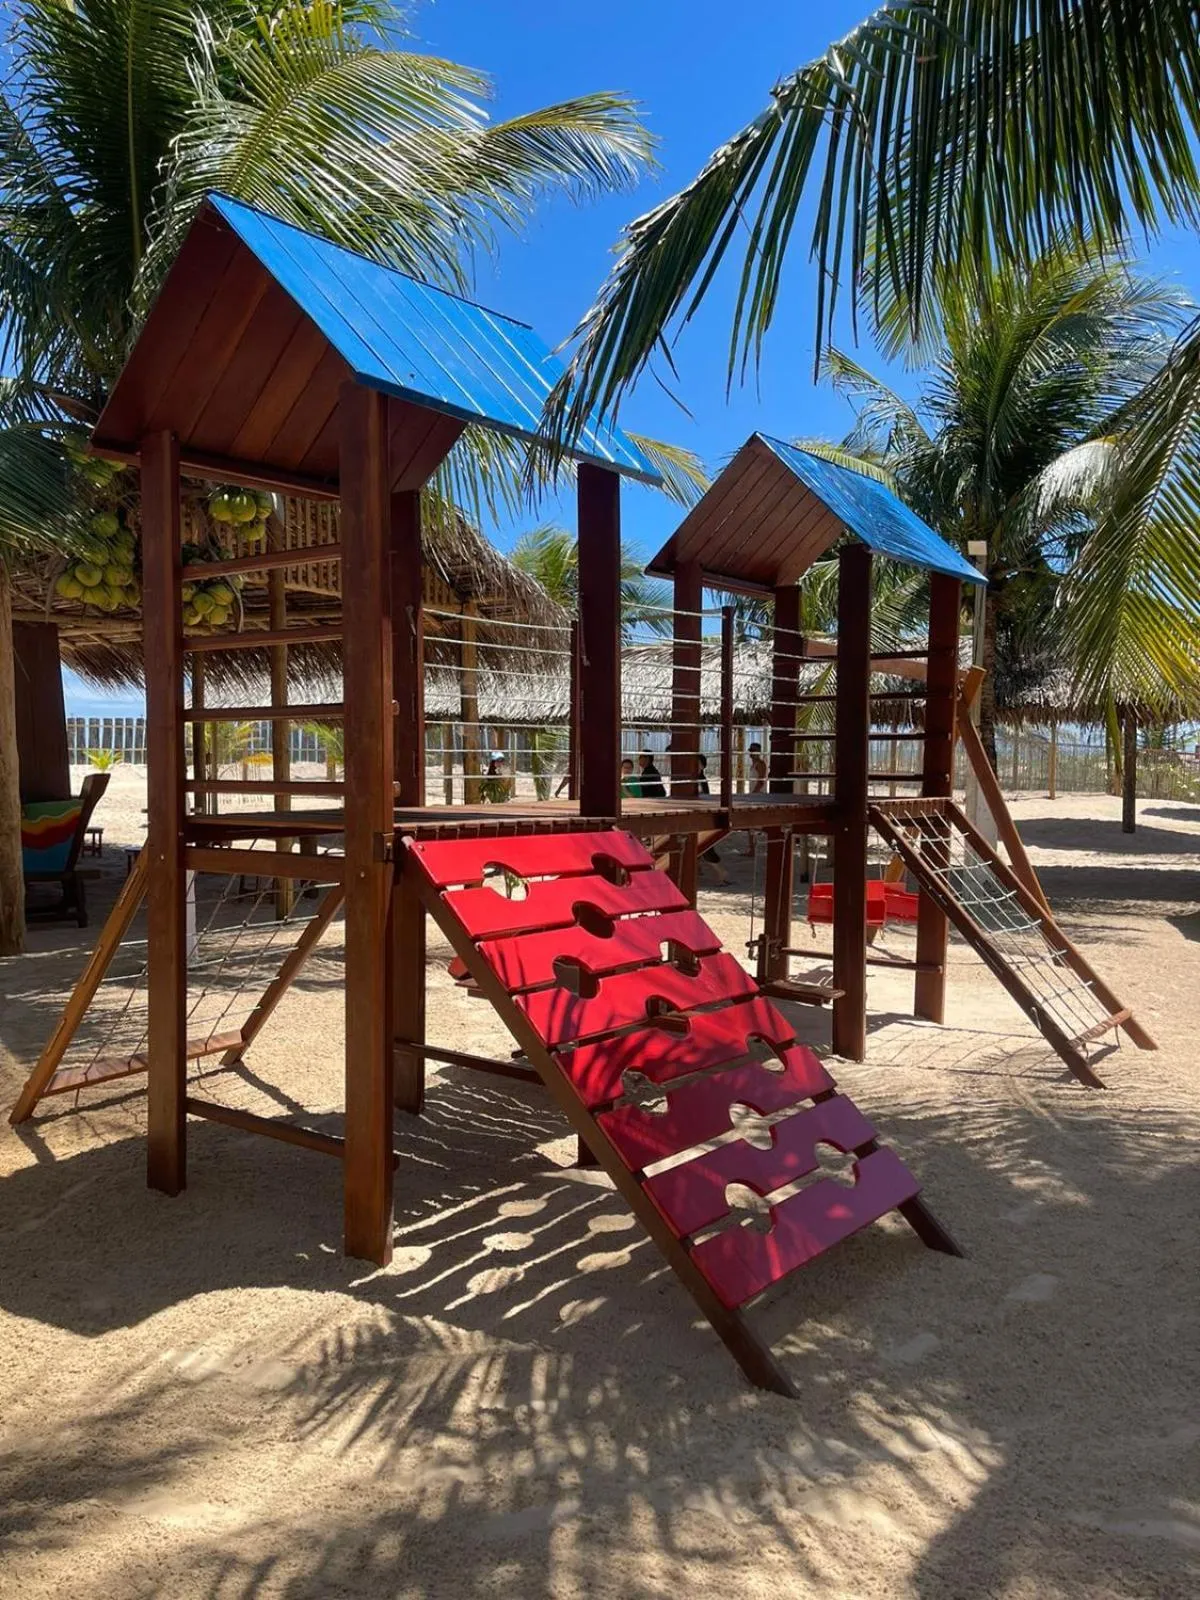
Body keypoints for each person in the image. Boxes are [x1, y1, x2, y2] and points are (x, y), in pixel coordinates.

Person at [742, 740, 768, 854]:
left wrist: (753, 794)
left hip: (759, 796)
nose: (751, 753)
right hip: (753, 795)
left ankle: (754, 848)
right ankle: (751, 848)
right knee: (751, 822)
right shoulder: (753, 765)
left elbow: (761, 782)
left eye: (753, 751)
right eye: (751, 751)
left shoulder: (761, 764)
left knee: (756, 822)